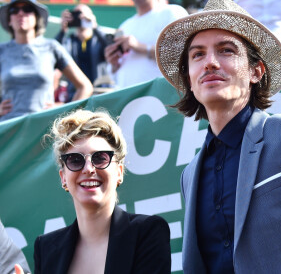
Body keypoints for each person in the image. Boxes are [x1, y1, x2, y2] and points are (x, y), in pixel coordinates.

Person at [156, 0, 281, 273]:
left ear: (256, 72)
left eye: (226, 50)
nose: (209, 62)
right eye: (198, 54)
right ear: (189, 79)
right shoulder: (189, 175)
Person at [24, 109, 171, 273]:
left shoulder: (147, 232)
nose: (88, 169)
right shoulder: (46, 248)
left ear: (119, 172)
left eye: (100, 158)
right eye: (75, 160)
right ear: (63, 177)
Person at [0, 0, 93, 122]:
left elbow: (85, 87)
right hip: (7, 130)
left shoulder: (52, 47)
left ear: (36, 17)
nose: (21, 13)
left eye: (27, 9)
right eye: (14, 10)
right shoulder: (2, 51)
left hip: (44, 131)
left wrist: (65, 115)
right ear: (9, 19)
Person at [104, 0, 188, 89]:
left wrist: (139, 46)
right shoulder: (124, 26)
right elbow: (115, 74)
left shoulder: (172, 12)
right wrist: (113, 63)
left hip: (163, 98)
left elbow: (183, 54)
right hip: (129, 99)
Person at [56, 4, 109, 102]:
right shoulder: (69, 41)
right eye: (76, 14)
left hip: (100, 92)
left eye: (82, 14)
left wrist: (95, 26)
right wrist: (62, 31)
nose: (79, 18)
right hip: (76, 95)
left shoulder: (99, 39)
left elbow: (109, 48)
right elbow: (54, 54)